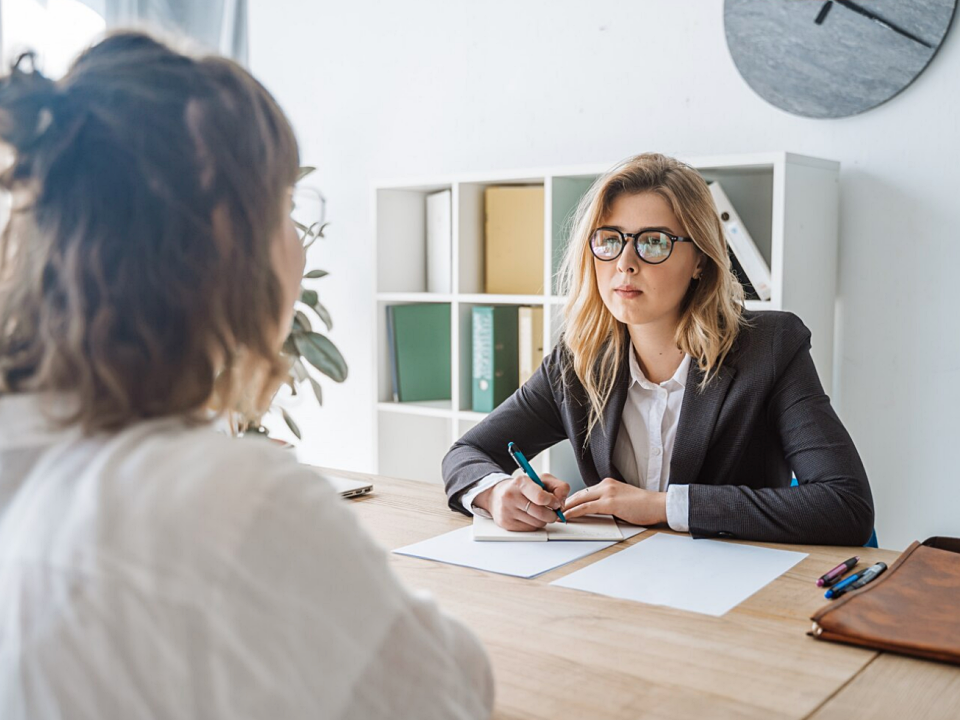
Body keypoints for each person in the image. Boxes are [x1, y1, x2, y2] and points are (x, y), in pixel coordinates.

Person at [0, 32, 492, 719]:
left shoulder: (25, 456)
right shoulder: (227, 498)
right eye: (286, 208)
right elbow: (448, 694)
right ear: (227, 235)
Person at [443, 153, 874, 546]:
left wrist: (661, 506)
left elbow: (844, 505)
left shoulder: (771, 348)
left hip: (735, 592)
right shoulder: (576, 361)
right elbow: (467, 454)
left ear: (701, 260)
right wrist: (496, 493)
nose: (624, 263)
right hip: (620, 583)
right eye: (609, 240)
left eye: (653, 242)